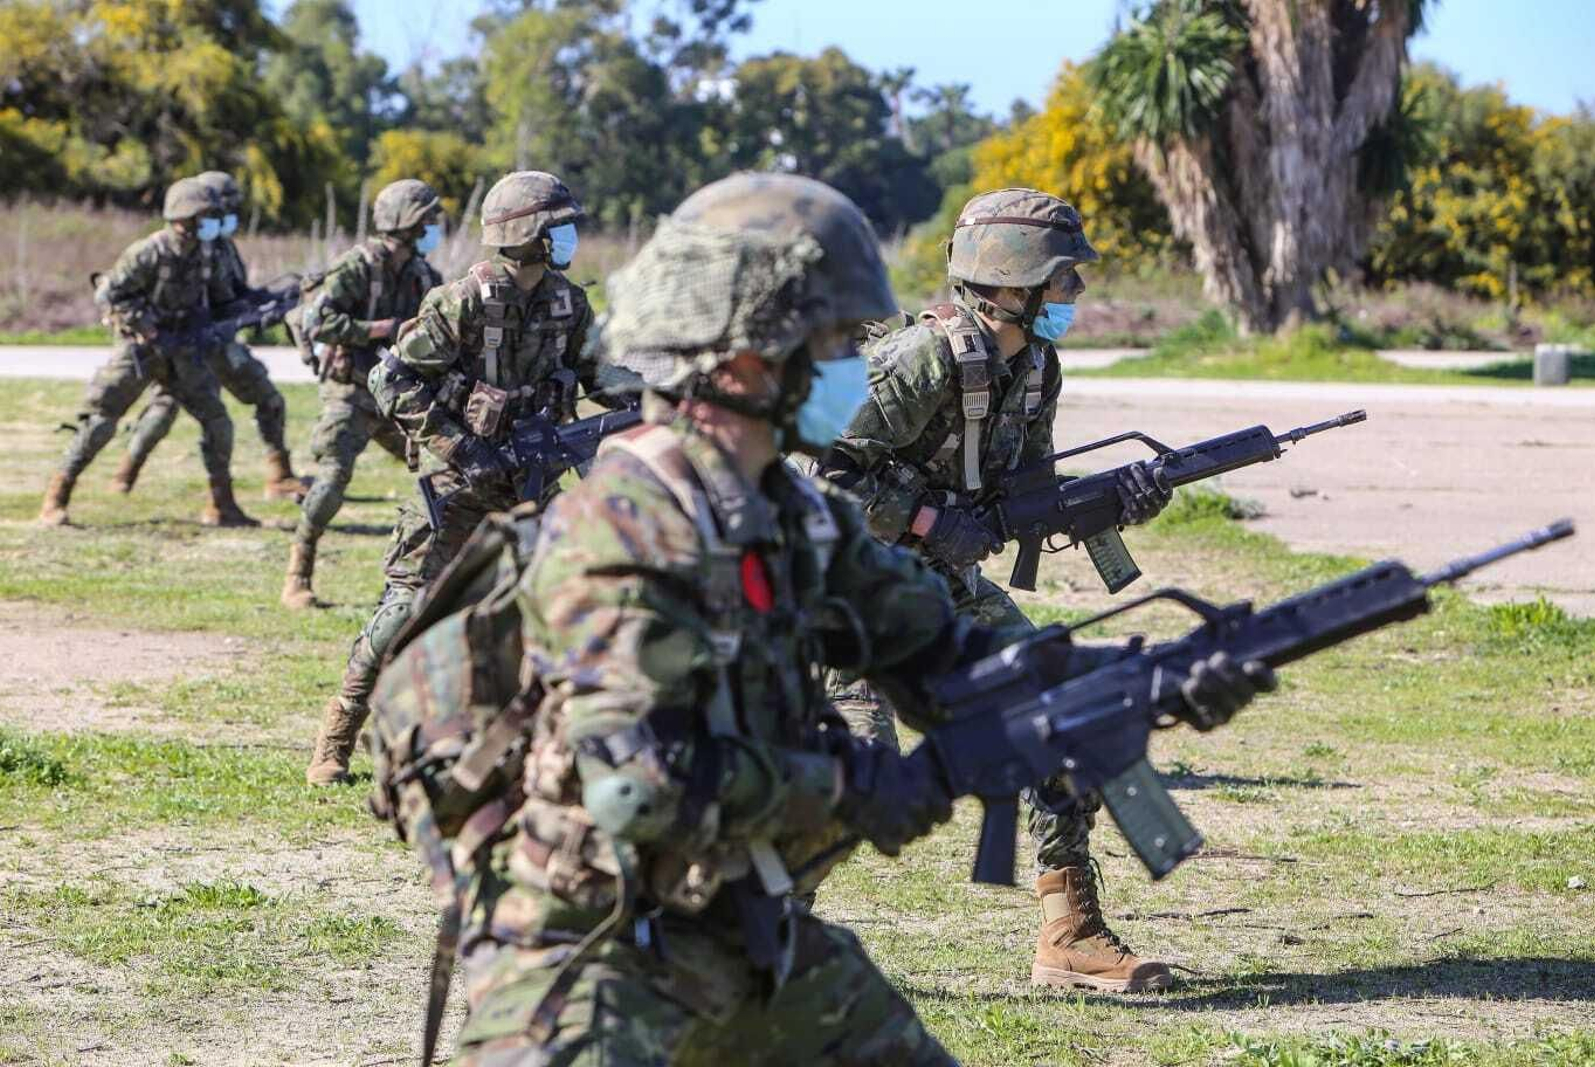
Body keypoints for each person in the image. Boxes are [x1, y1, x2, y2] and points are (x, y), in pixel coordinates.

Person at [422, 172, 1269, 1065]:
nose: (853, 360)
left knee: (1047, 701)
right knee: (847, 755)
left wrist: (1135, 667)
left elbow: (989, 541)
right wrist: (874, 782)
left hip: (914, 576)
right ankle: (764, 928)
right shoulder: (648, 532)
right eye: (826, 343)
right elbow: (648, 780)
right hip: (589, 970)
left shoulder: (817, 516)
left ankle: (1066, 929)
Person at [816, 187, 1175, 992]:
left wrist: (1119, 496)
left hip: (939, 585)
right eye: (1061, 281)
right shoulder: (918, 361)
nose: (1073, 298)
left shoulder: (1036, 366)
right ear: (1008, 284)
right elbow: (818, 475)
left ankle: (1070, 932)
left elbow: (1026, 490)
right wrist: (925, 521)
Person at [304, 170, 630, 785]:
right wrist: (457, 446)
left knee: (550, 611)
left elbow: (600, 377)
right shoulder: (462, 300)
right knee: (406, 607)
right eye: (561, 229)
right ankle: (340, 732)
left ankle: (530, 751)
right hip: (454, 484)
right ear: (528, 234)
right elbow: (390, 379)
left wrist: (668, 394)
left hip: (529, 481)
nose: (571, 240)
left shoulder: (569, 301)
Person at [39, 177, 253, 527]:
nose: (213, 222)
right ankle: (56, 499)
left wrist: (246, 312)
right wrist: (146, 326)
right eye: (206, 216)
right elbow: (108, 295)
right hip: (140, 350)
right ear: (183, 217)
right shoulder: (148, 251)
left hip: (184, 352)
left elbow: (222, 300)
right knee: (100, 422)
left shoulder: (208, 253)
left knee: (218, 422)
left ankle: (221, 505)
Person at [279, 178, 445, 610]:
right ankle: (298, 573)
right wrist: (379, 330)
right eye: (428, 220)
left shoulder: (425, 274)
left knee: (443, 477)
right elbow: (320, 322)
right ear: (406, 223)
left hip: (400, 398)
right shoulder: (357, 266)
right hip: (351, 390)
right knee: (333, 478)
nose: (434, 228)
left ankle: (426, 581)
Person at [110, 170, 306, 502]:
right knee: (172, 409)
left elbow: (234, 296)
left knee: (258, 402)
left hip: (215, 340)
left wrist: (269, 301)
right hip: (200, 344)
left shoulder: (221, 247)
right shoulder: (198, 248)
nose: (228, 216)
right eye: (225, 207)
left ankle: (275, 477)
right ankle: (127, 475)